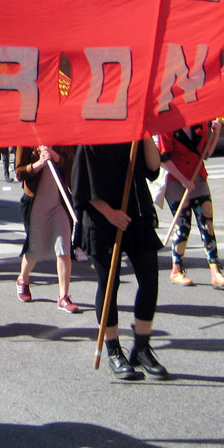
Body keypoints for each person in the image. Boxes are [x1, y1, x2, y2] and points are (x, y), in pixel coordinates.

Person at [72, 139, 168, 381]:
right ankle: (114, 350)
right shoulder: (90, 139)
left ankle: (142, 348)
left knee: (149, 280)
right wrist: (110, 213)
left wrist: (145, 133)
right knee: (109, 284)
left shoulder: (134, 135)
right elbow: (82, 186)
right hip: (102, 219)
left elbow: (153, 167)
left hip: (136, 213)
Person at [158, 120, 224, 287]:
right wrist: (184, 180)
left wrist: (216, 133)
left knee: (207, 224)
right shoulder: (168, 125)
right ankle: (176, 269)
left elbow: (206, 153)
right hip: (177, 182)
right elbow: (163, 158)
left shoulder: (200, 124)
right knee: (183, 226)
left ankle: (215, 269)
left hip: (198, 178)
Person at [13, 145, 79, 312]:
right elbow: (20, 172)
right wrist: (39, 163)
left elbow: (72, 169)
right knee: (35, 248)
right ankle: (23, 279)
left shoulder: (64, 140)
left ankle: (63, 296)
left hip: (59, 203)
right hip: (36, 203)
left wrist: (57, 158)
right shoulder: (27, 140)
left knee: (64, 248)